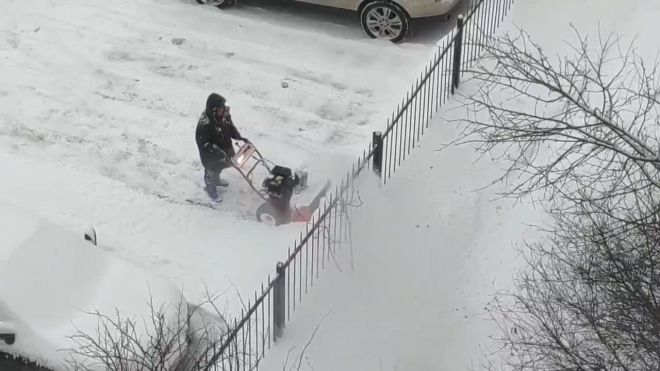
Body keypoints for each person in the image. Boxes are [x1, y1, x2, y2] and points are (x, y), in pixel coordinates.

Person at [195, 93, 249, 202]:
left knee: (221, 166)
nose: (224, 109)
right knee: (211, 170)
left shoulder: (224, 115)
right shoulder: (205, 124)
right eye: (221, 107)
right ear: (214, 109)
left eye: (224, 106)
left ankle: (217, 180)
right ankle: (210, 189)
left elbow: (230, 127)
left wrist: (239, 137)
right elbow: (203, 143)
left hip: (224, 147)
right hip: (210, 154)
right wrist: (216, 150)